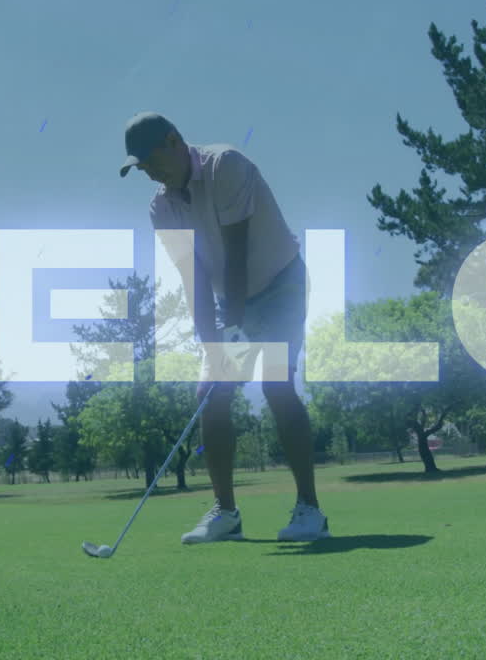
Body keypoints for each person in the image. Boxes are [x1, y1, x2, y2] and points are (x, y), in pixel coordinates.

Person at [119, 111, 331, 544]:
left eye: (152, 162)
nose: (150, 174)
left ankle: (310, 509)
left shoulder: (226, 165)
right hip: (228, 299)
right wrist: (211, 342)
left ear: (174, 141)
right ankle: (226, 514)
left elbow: (237, 253)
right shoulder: (161, 207)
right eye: (141, 169)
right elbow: (193, 276)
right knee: (211, 395)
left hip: (281, 285)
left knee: (276, 384)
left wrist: (233, 325)